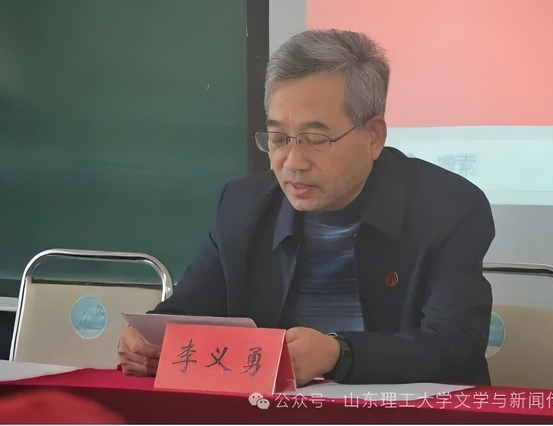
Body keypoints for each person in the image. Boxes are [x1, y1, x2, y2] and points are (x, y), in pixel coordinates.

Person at [118, 29, 495, 386]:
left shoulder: (448, 207)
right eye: (278, 138)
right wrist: (148, 341)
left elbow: (456, 345)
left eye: (315, 139)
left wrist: (339, 354)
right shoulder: (242, 205)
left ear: (374, 136)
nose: (293, 162)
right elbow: (186, 313)